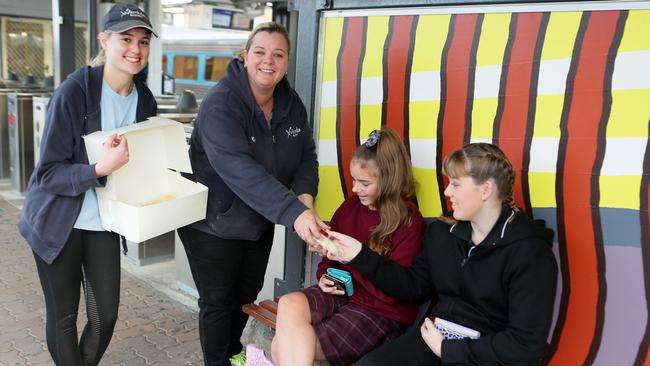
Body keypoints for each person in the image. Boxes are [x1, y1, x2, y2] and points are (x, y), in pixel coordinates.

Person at [326, 143, 559, 365]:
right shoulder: (443, 232)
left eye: (456, 184)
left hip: (487, 352)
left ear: (486, 189)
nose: (447, 191)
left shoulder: (530, 253)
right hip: (437, 335)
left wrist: (449, 350)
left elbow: (525, 345)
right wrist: (359, 255)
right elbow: (413, 288)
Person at [177, 21, 326, 366]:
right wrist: (294, 214)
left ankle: (232, 355)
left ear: (287, 62)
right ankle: (219, 360)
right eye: (259, 52)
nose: (268, 61)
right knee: (217, 301)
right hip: (212, 223)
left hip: (257, 222)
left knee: (246, 294)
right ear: (245, 56)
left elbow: (305, 154)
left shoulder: (290, 102)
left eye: (278, 54)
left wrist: (305, 196)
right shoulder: (220, 104)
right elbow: (240, 171)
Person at [16, 4, 157, 366]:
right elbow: (47, 173)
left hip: (104, 224)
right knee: (64, 318)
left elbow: (140, 163)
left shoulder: (145, 101)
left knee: (104, 316)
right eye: (126, 39)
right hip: (58, 222)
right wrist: (97, 169)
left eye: (143, 41)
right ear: (104, 40)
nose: (135, 50)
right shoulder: (74, 92)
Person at [271, 128, 426, 366]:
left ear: (389, 179)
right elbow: (330, 262)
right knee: (289, 304)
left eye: (364, 183)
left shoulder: (410, 223)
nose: (355, 189)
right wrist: (325, 276)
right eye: (354, 180)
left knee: (281, 345)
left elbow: (401, 290)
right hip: (344, 292)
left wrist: (356, 256)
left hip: (382, 311)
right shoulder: (350, 207)